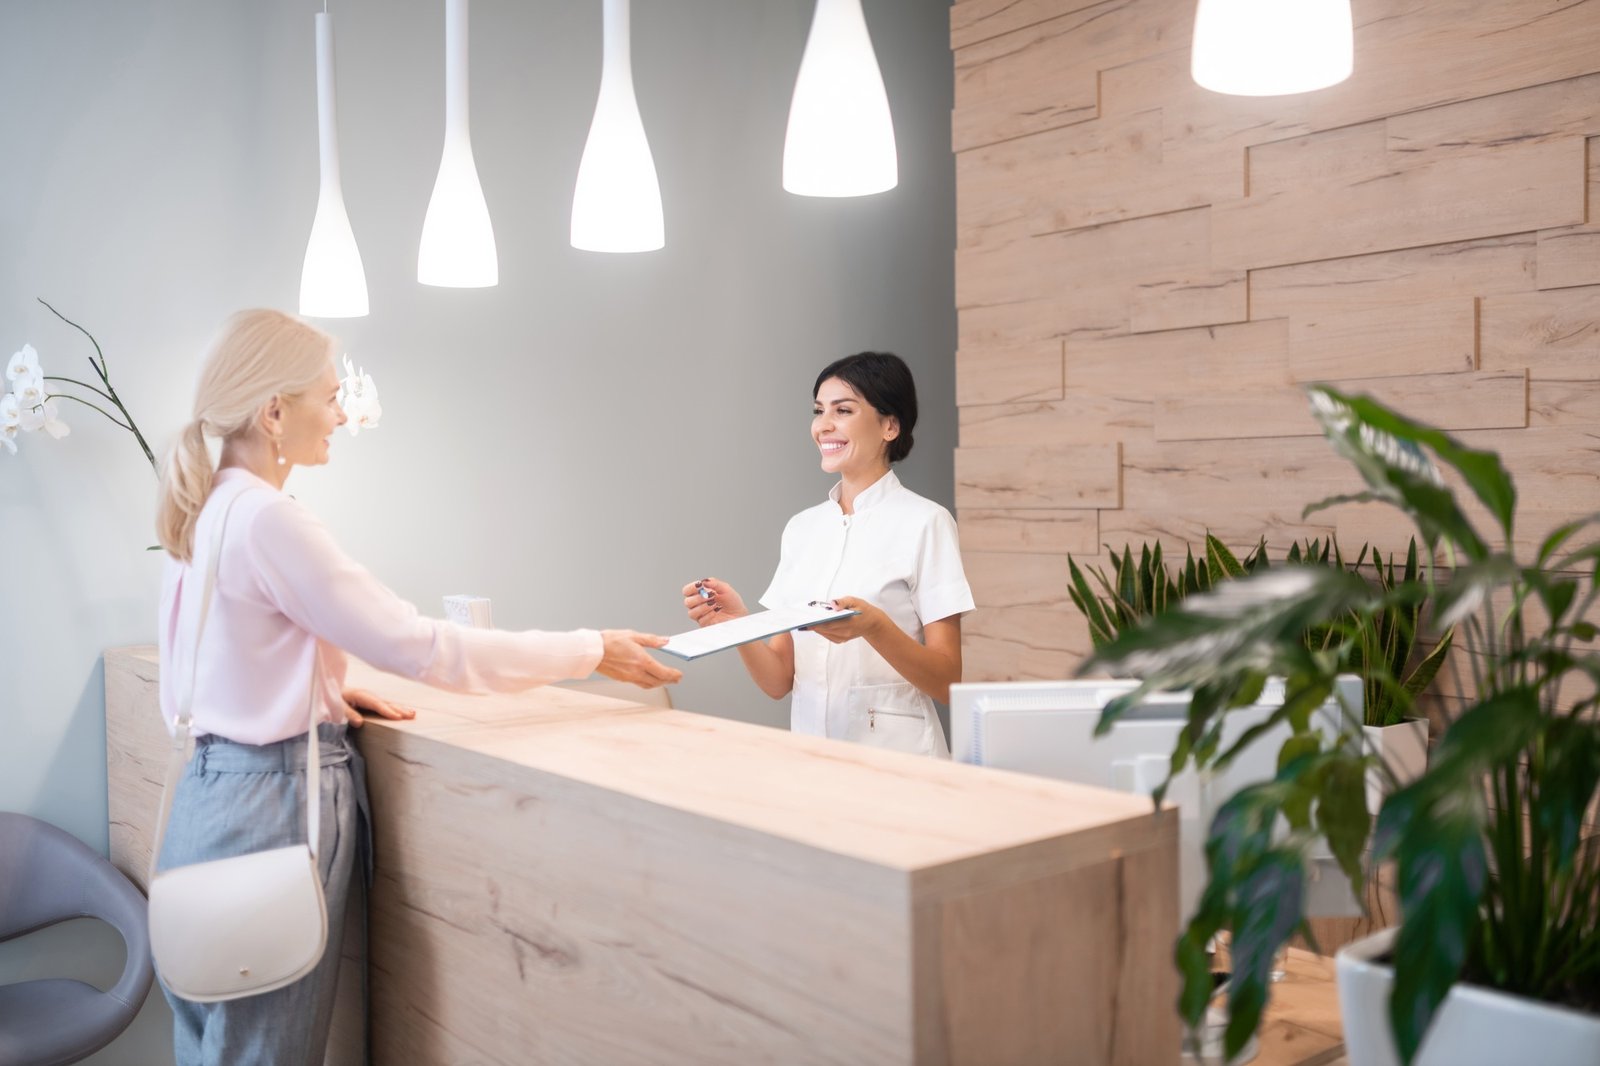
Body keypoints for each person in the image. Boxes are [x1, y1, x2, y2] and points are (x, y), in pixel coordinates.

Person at [153, 308, 680, 1065]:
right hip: (268, 806)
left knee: (216, 1045)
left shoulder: (203, 509)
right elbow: (422, 648)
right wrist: (589, 649)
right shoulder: (271, 520)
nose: (340, 414)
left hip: (211, 801)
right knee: (264, 1052)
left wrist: (321, 691)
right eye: (327, 397)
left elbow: (200, 671)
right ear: (274, 412)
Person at [682, 352, 973, 757]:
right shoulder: (802, 529)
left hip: (899, 759)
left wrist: (874, 627)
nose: (824, 425)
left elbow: (948, 681)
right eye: (820, 410)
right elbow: (779, 681)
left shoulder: (927, 522)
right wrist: (737, 624)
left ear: (890, 426)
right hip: (812, 759)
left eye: (844, 410)